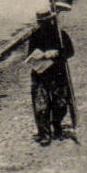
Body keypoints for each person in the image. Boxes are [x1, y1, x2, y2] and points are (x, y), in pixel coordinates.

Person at [26, 10, 75, 146]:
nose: (44, 25)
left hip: (57, 73)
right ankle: (44, 134)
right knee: (41, 106)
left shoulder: (60, 35)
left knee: (61, 104)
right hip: (40, 74)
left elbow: (70, 52)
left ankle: (56, 124)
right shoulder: (35, 36)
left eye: (47, 22)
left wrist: (57, 53)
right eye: (41, 22)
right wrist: (39, 56)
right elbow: (30, 55)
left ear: (52, 20)